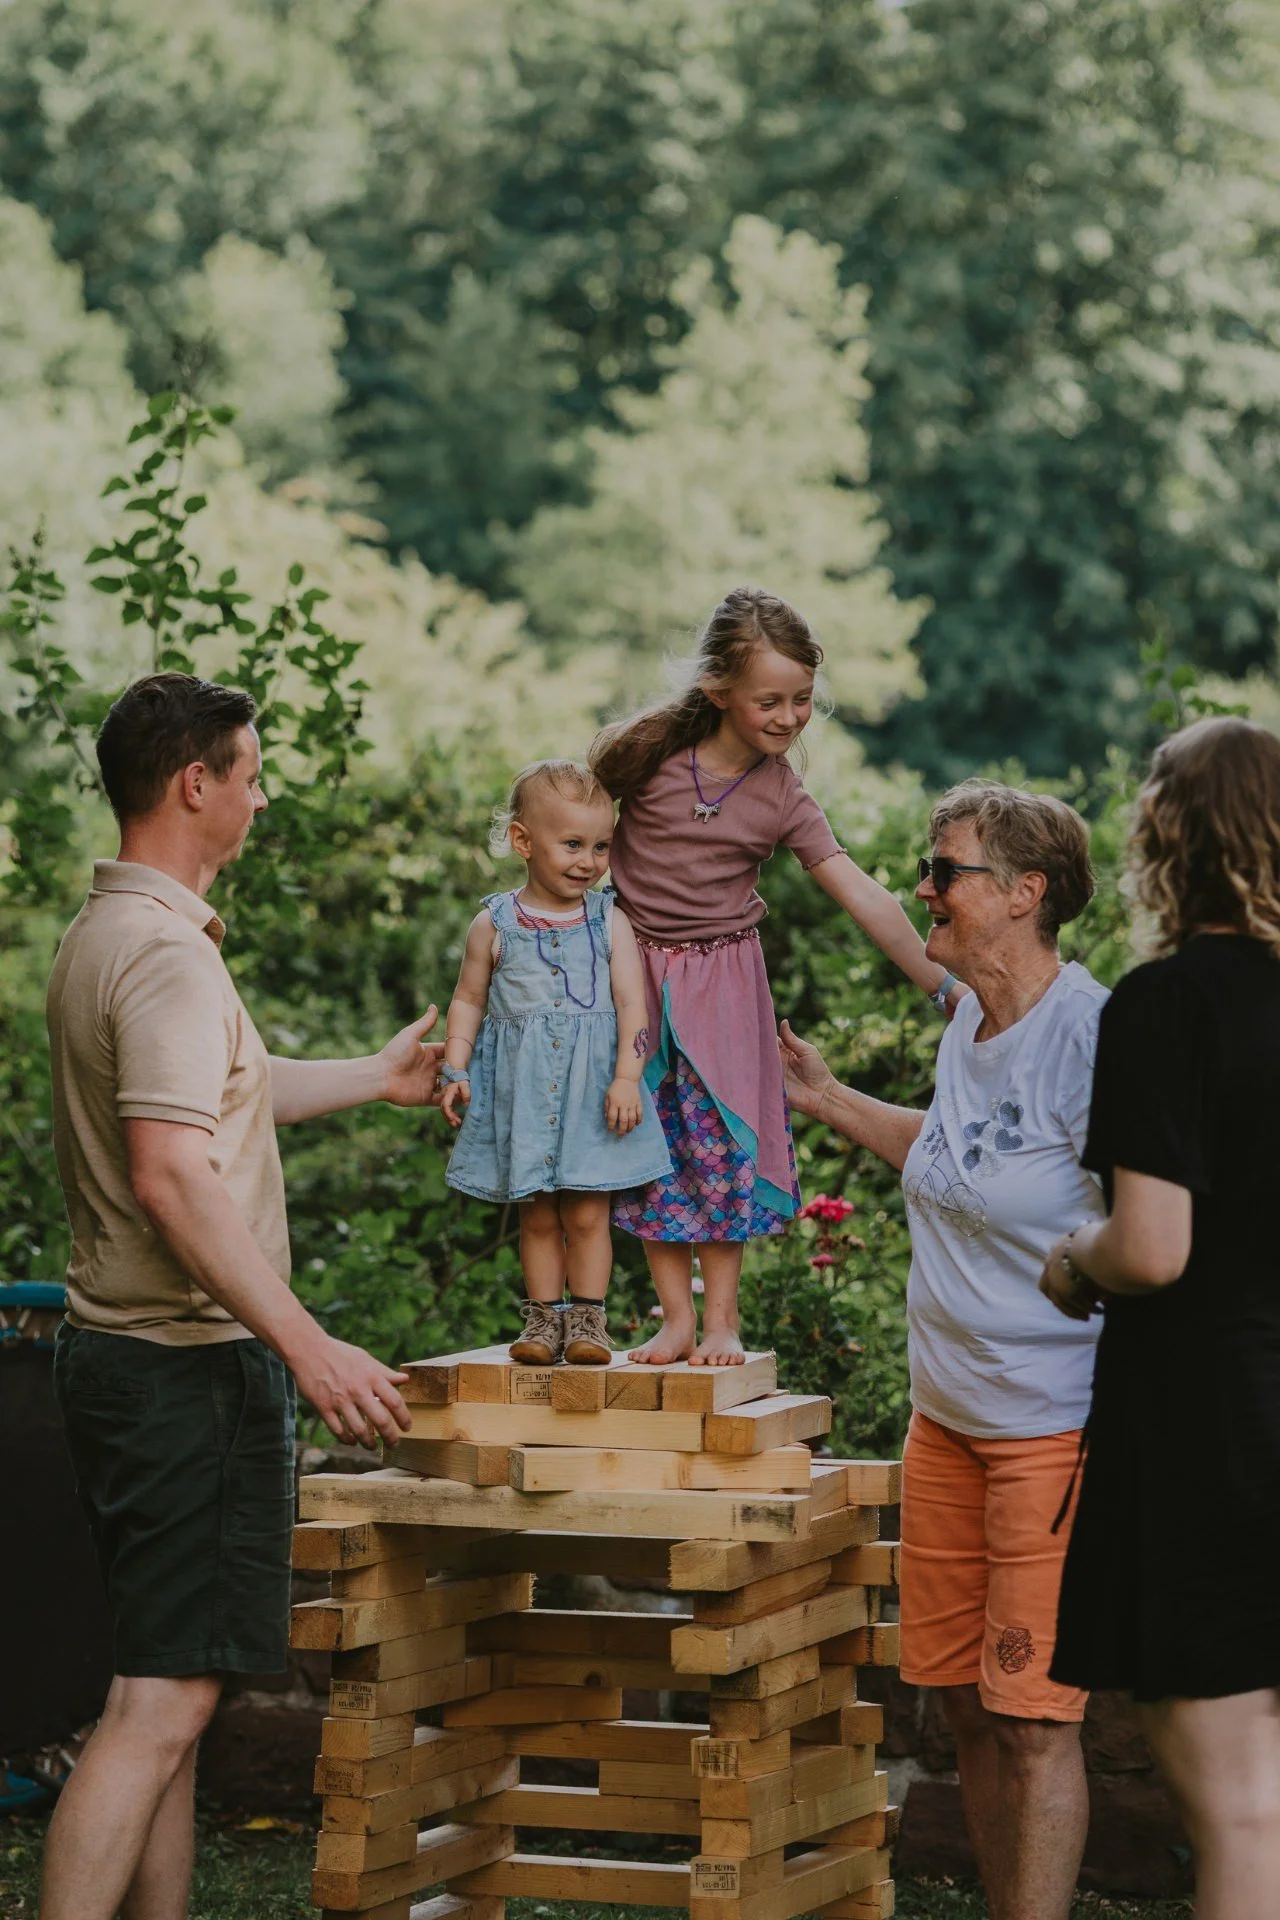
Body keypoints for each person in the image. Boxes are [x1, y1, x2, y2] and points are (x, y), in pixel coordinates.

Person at [42, 671, 444, 1920]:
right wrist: (310, 1346)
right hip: (185, 1372)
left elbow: (225, 1087)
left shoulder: (110, 936)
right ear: (193, 784)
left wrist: (375, 1079)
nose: (263, 798)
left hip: (123, 1361)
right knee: (163, 1703)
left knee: (161, 1688)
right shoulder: (164, 957)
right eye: (253, 774)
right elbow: (171, 1173)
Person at [780, 779, 1105, 1920]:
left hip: (1045, 1432)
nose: (924, 887)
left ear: (1023, 893)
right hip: (945, 1426)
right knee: (965, 1703)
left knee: (1030, 1713)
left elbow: (1156, 1221)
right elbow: (957, 1154)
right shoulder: (970, 1016)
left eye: (944, 872)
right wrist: (824, 1099)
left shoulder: (1089, 1034)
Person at [590, 585, 963, 1368]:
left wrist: (942, 985)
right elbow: (569, 824)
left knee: (721, 1143)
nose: (791, 717)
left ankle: (721, 1322)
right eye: (771, 700)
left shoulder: (782, 793)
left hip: (724, 986)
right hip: (634, 980)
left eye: (803, 699)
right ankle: (674, 1321)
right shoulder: (644, 754)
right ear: (719, 690)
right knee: (652, 1146)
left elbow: (860, 890)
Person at [1042, 717, 1280, 1919]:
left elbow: (1151, 1248)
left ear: (1165, 835)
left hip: (1212, 1435)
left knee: (1239, 1808)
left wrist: (1073, 1261)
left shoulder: (1165, 1004)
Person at [439, 759, 670, 1365]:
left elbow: (632, 1005)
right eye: (572, 844)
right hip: (525, 1093)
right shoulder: (494, 923)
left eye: (600, 846)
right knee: (537, 1214)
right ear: (523, 840)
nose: (588, 861)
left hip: (593, 1094)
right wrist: (455, 1068)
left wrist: (627, 1078)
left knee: (590, 1211)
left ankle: (589, 1321)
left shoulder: (607, 920)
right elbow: (468, 999)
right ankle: (543, 1320)